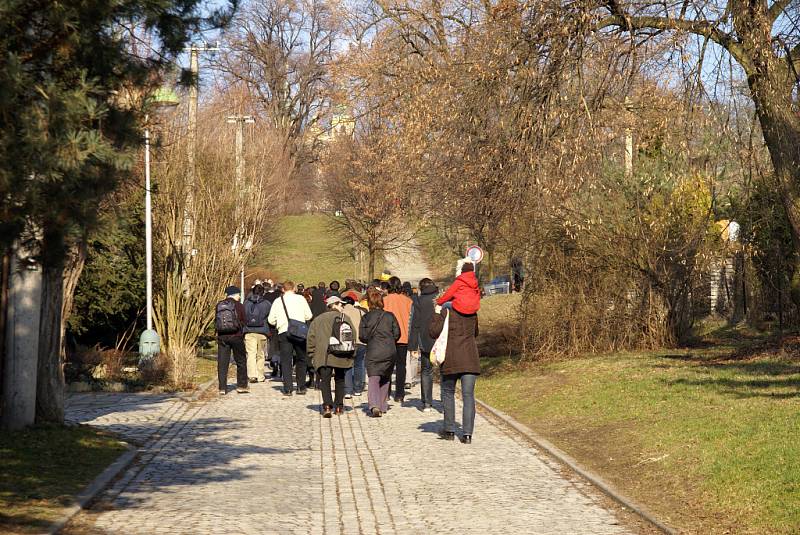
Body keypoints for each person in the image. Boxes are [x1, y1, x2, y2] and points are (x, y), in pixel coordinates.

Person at [429, 303, 480, 444]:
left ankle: (449, 430)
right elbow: (475, 332)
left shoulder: (446, 311)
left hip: (451, 358)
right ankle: (467, 434)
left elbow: (433, 331)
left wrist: (437, 313)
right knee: (468, 395)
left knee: (447, 392)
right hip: (469, 358)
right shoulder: (472, 311)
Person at [307, 296, 355, 417]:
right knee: (340, 380)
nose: (342, 307)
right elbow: (352, 335)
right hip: (341, 353)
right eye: (340, 305)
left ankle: (327, 406)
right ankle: (339, 406)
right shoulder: (345, 318)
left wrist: (311, 353)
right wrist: (352, 353)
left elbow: (311, 337)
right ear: (334, 305)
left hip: (323, 355)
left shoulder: (318, 319)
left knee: (325, 381)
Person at [267, 280, 313, 396]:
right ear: (294, 289)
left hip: (284, 332)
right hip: (300, 333)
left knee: (286, 360)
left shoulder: (278, 301)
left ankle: (288, 388)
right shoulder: (301, 299)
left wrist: (279, 322)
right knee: (301, 359)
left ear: (283, 289)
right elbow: (309, 315)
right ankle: (301, 386)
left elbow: (270, 320)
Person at [359, 288, 400, 417]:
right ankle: (382, 405)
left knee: (374, 378)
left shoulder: (366, 317)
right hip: (389, 350)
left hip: (373, 350)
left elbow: (362, 336)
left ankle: (374, 405)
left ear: (369, 303)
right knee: (385, 378)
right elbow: (397, 334)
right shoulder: (390, 316)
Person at [408, 278, 438, 411]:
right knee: (445, 372)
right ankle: (447, 400)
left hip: (425, 340)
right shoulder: (440, 298)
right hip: (441, 339)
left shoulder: (419, 301)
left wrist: (413, 346)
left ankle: (427, 403)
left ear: (421, 288)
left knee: (426, 371)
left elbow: (415, 324)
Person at [383, 276, 413, 403]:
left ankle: (386, 391)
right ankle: (400, 394)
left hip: (387, 336)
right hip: (403, 336)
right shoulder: (408, 301)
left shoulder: (384, 300)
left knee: (387, 365)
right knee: (401, 365)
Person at [215, 286, 248, 395]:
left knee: (222, 362)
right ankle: (242, 386)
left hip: (222, 337)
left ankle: (222, 388)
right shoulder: (239, 306)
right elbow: (244, 320)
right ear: (235, 294)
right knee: (241, 361)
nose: (239, 296)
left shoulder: (219, 305)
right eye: (239, 294)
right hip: (236, 336)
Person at [243, 283, 271, 382]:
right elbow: (270, 318)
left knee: (251, 354)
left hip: (249, 331)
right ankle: (260, 375)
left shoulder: (246, 303)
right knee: (261, 354)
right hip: (262, 331)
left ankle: (252, 375)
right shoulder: (267, 304)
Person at [342, 296, 367, 399]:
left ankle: (348, 390)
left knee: (347, 365)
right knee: (359, 364)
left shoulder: (342, 313)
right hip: (360, 341)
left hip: (347, 341)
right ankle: (358, 389)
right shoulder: (361, 312)